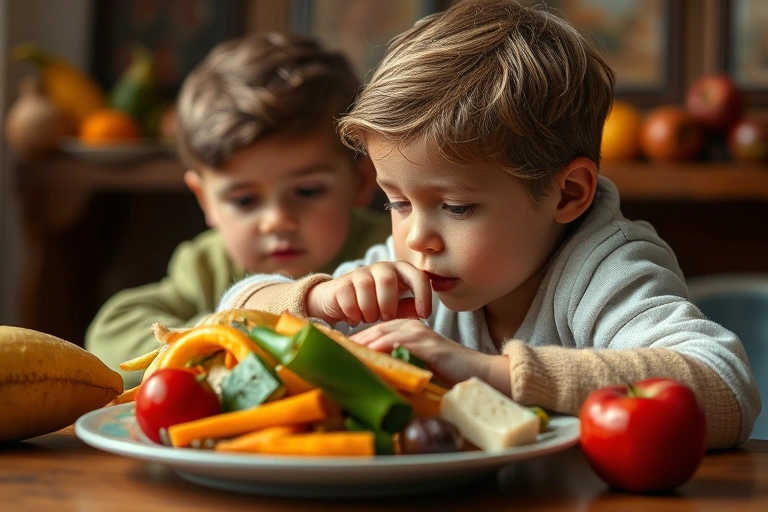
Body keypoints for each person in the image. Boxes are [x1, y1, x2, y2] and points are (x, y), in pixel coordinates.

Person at [216, 0, 760, 449]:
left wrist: (491, 373)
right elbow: (226, 327)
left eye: (455, 207)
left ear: (567, 193)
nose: (415, 238)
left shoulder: (607, 268)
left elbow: (726, 388)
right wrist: (316, 301)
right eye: (397, 203)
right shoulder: (406, 268)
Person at [86, 33, 390, 387]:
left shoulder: (391, 251)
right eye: (245, 200)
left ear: (361, 181)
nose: (277, 220)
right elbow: (109, 336)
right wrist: (230, 332)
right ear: (205, 200)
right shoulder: (206, 264)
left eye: (307, 191)